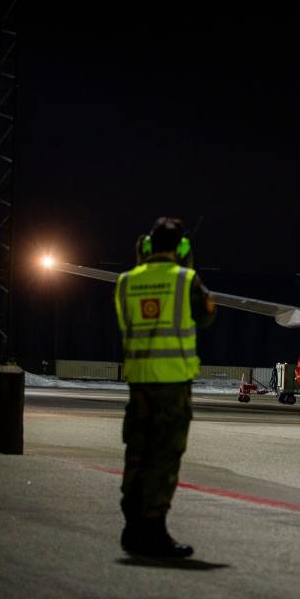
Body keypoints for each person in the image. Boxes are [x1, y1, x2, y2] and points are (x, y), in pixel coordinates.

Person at [114, 217, 215, 557]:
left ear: (146, 245)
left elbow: (126, 320)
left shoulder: (126, 282)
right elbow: (206, 317)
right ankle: (154, 530)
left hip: (139, 381)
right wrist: (189, 269)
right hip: (172, 384)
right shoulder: (186, 280)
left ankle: (132, 528)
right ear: (181, 247)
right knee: (164, 456)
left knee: (137, 452)